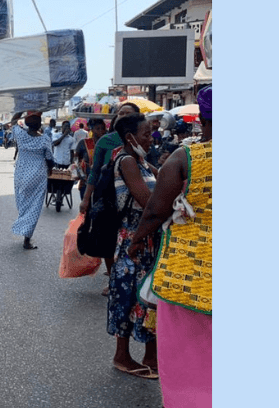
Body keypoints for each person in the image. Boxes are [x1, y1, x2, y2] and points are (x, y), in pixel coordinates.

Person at [128, 86, 212, 407]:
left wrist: (135, 243)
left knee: (186, 359)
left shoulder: (185, 158)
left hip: (187, 277)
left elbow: (155, 211)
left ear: (201, 119)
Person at [106, 112, 162, 380]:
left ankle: (151, 356)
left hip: (147, 239)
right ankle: (122, 356)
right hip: (133, 240)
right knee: (128, 297)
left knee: (148, 296)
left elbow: (165, 180)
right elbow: (148, 201)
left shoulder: (141, 161)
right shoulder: (127, 161)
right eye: (146, 134)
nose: (151, 139)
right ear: (130, 138)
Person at [79, 102, 142, 292]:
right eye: (120, 113)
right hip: (107, 195)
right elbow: (95, 171)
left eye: (127, 114)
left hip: (134, 196)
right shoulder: (105, 142)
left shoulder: (141, 139)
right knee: (108, 239)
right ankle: (113, 279)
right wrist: (86, 198)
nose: (122, 116)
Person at [8, 111, 54, 250]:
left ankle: (22, 225)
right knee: (34, 207)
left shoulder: (20, 135)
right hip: (38, 175)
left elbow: (14, 121)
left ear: (26, 122)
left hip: (21, 174)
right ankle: (26, 240)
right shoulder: (45, 139)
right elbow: (50, 159)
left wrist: (22, 109)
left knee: (23, 203)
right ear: (40, 124)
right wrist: (50, 169)